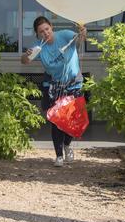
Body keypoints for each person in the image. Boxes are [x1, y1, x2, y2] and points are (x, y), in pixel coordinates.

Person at [21, 16, 87, 167]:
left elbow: (79, 40)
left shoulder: (64, 35)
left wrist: (83, 31)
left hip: (74, 83)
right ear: (37, 34)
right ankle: (59, 156)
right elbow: (24, 61)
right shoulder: (39, 47)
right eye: (41, 31)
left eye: (47, 29)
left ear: (51, 27)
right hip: (55, 86)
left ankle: (67, 145)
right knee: (57, 121)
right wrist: (26, 54)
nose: (45, 33)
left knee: (72, 119)